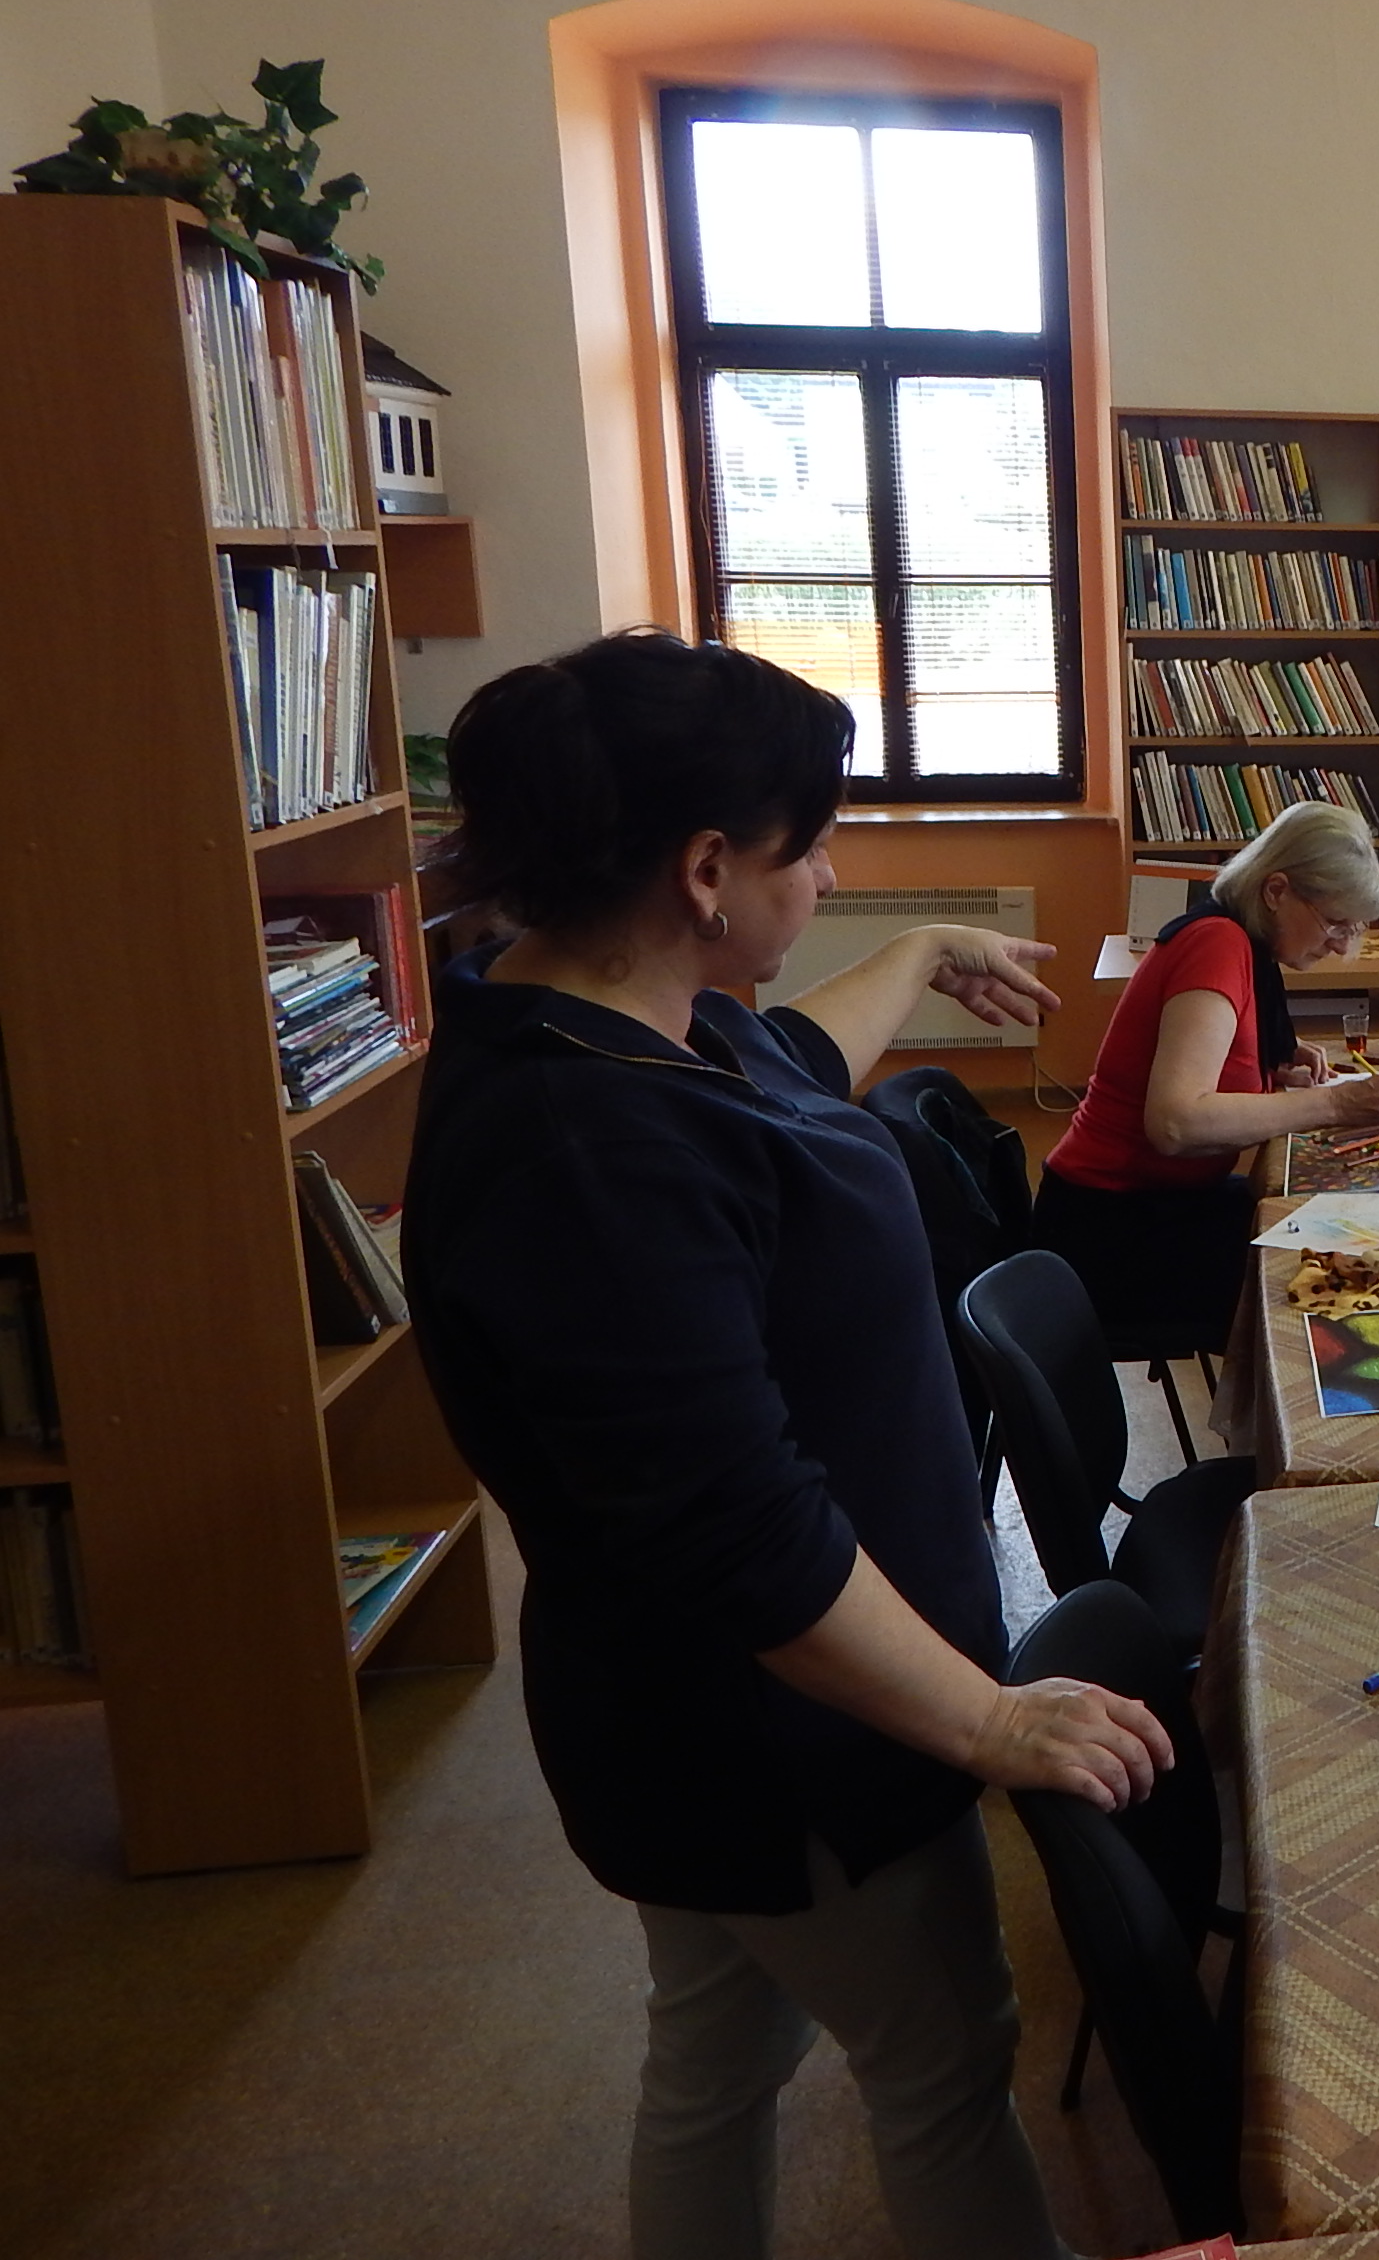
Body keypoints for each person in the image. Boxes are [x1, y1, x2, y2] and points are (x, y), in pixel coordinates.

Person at [406, 630, 1172, 2260]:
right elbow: (741, 1534)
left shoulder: (637, 1014)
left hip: (709, 1718)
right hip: (782, 1737)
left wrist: (932, 950)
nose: (828, 877)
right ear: (703, 870)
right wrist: (988, 1716)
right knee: (942, 2066)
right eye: (807, 847)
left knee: (718, 2050)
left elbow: (804, 1060)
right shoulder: (586, 1150)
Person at [1035, 802, 1379, 1348]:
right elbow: (1176, 1122)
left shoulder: (1238, 936)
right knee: (1342, 1282)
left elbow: (1206, 1057)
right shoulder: (1215, 943)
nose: (1339, 944)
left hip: (1152, 1205)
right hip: (1110, 1233)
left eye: (1352, 929)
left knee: (1344, 1231)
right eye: (1334, 922)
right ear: (1276, 890)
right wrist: (1335, 1104)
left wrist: (1264, 1058)